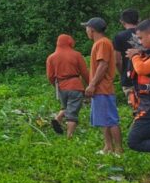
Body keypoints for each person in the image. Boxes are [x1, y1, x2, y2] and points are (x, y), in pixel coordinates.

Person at [83, 17, 123, 155]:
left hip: (103, 88)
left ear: (92, 29)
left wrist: (92, 84)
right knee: (103, 119)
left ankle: (118, 149)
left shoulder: (103, 43)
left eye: (87, 28)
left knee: (111, 120)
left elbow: (103, 64)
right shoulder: (99, 43)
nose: (86, 31)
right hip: (100, 89)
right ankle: (108, 147)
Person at [46, 34, 90, 138]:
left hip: (61, 86)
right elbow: (84, 72)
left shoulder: (51, 57)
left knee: (66, 107)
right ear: (70, 42)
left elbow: (50, 76)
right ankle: (69, 137)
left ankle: (58, 119)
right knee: (72, 112)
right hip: (75, 85)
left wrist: (55, 85)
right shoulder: (76, 55)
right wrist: (91, 85)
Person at [126, 19, 150, 154]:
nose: (140, 42)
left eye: (141, 38)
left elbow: (142, 69)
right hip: (149, 104)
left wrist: (135, 56)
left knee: (134, 140)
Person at [113, 9, 139, 112]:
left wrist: (122, 73)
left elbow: (117, 60)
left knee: (136, 109)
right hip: (149, 77)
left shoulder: (119, 37)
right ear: (139, 20)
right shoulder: (148, 33)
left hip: (129, 77)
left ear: (122, 21)